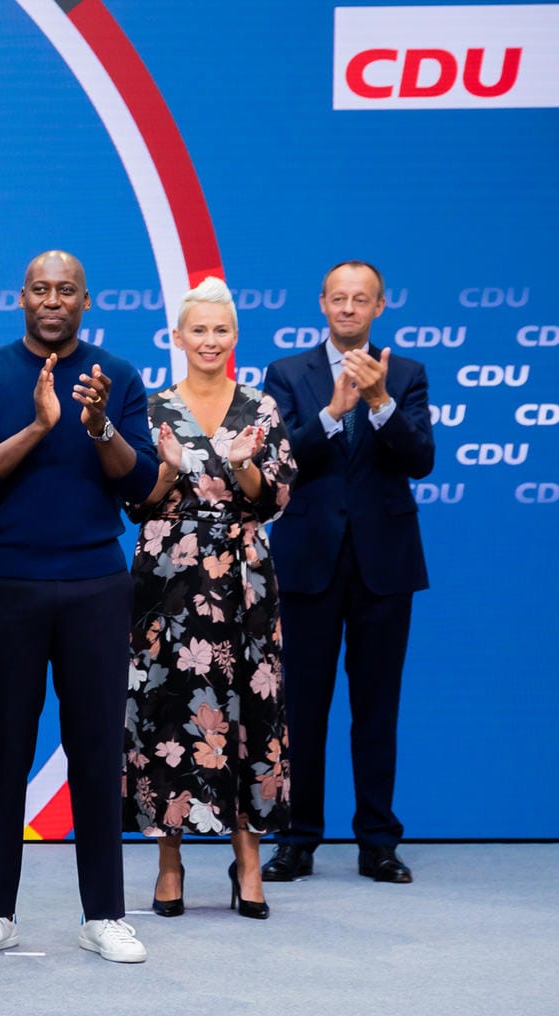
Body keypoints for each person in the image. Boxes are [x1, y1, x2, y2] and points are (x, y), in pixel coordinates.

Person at [0, 250, 157, 964]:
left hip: (96, 585)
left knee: (97, 751)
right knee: (2, 749)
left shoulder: (117, 377)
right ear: (22, 298)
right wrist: (40, 425)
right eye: (41, 288)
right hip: (5, 584)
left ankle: (103, 914)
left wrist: (98, 426)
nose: (53, 300)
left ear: (86, 301)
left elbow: (145, 485)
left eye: (67, 290)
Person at [122, 277, 296, 920]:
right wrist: (165, 470)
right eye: (198, 329)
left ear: (235, 337)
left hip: (245, 579)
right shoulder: (152, 408)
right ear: (177, 337)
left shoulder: (261, 408)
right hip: (169, 581)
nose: (209, 340)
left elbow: (276, 500)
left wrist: (247, 466)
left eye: (220, 330)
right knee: (168, 711)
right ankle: (169, 864)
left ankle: (247, 858)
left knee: (250, 709)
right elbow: (132, 500)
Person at [261, 261, 434, 885]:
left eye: (362, 300)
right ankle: (297, 839)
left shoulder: (407, 374)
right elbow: (278, 459)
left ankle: (378, 842)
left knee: (377, 707)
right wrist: (333, 414)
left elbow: (422, 460)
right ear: (323, 305)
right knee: (302, 710)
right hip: (309, 561)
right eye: (339, 299)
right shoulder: (287, 374)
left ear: (380, 307)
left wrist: (381, 402)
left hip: (384, 565)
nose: (349, 309)